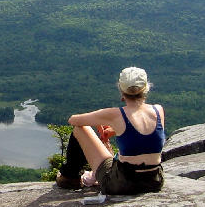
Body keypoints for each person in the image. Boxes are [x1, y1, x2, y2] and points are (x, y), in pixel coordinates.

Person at [56, 66, 165, 195]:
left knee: (80, 129)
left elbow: (73, 120)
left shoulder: (115, 115)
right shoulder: (158, 110)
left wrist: (100, 121)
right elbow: (143, 138)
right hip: (155, 181)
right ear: (146, 87)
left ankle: (70, 177)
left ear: (121, 89)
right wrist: (114, 130)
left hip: (122, 184)